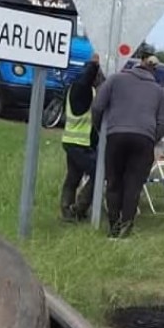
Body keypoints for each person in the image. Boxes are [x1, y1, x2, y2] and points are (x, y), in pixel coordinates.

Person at [92, 55, 164, 238]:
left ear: (136, 66)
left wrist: (101, 129)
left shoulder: (115, 80)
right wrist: (151, 137)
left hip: (116, 135)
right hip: (144, 139)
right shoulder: (159, 91)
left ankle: (113, 227)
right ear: (154, 71)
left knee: (113, 182)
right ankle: (126, 227)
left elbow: (97, 107)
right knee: (133, 185)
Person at [59, 55, 102, 222]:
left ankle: (67, 210)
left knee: (73, 177)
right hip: (79, 143)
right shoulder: (81, 90)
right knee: (99, 173)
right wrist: (94, 65)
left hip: (72, 141)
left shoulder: (74, 89)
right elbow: (86, 81)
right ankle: (79, 208)